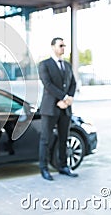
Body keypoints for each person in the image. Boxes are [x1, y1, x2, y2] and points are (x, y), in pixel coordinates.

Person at [38, 37, 78, 181]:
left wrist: (69, 98)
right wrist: (64, 97)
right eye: (60, 45)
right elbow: (48, 85)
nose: (63, 48)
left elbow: (73, 83)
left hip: (65, 108)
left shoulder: (67, 65)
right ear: (53, 47)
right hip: (50, 108)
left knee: (63, 139)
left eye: (64, 45)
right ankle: (44, 168)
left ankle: (63, 166)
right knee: (46, 139)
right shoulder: (44, 64)